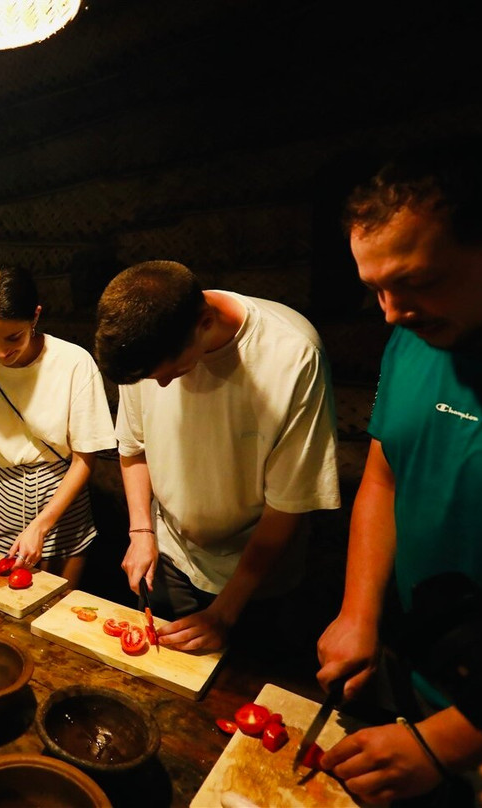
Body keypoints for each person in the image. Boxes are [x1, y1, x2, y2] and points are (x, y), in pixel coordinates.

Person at [315, 139, 482, 803]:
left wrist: (449, 741)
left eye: (418, 281)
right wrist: (358, 611)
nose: (393, 314)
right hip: (421, 676)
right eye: (376, 290)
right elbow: (385, 473)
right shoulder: (415, 335)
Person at [94, 260, 340, 652]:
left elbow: (288, 505)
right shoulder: (148, 345)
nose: (160, 384)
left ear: (204, 321)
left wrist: (225, 612)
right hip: (170, 556)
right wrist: (141, 531)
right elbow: (134, 448)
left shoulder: (292, 355)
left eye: (170, 373)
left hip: (255, 578)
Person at [0, 266, 114, 586]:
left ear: (35, 316)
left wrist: (41, 525)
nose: (2, 352)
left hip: (61, 500)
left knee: (56, 611)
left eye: (13, 337)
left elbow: (85, 457)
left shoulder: (73, 362)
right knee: (4, 607)